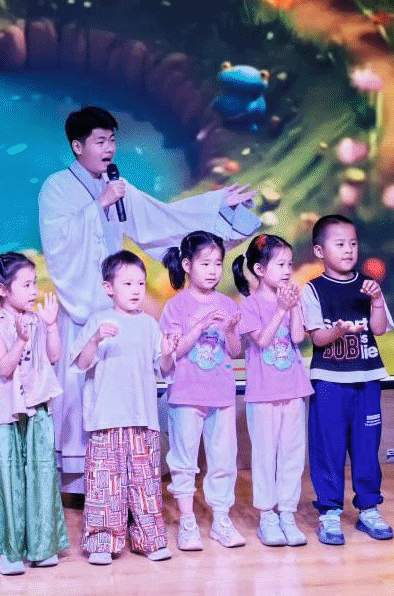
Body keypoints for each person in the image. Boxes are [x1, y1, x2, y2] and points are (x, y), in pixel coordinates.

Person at [38, 105, 258, 494]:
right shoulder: (57, 187)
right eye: (100, 141)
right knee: (79, 389)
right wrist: (99, 206)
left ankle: (121, 475)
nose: (109, 149)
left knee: (120, 390)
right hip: (83, 307)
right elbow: (58, 242)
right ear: (77, 146)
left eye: (112, 140)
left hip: (119, 307)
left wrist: (216, 204)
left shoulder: (116, 185)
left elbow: (161, 220)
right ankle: (78, 482)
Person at [71, 251, 177, 565]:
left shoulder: (149, 324)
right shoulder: (99, 321)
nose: (135, 290)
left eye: (140, 283)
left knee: (145, 484)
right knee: (105, 484)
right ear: (108, 287)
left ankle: (150, 539)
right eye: (127, 283)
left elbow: (163, 368)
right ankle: (102, 541)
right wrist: (95, 339)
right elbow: (81, 363)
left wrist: (168, 352)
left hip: (142, 418)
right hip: (106, 419)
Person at [0, 252, 69, 575]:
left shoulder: (36, 320)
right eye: (25, 285)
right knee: (9, 479)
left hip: (37, 407)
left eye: (34, 283)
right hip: (6, 414)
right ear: (2, 289)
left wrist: (50, 327)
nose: (33, 290)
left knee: (42, 474)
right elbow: (4, 367)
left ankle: (42, 546)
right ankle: (11, 551)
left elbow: (54, 357)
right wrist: (22, 341)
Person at [301, 214, 394, 546]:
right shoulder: (312, 290)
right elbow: (318, 337)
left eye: (353, 243)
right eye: (339, 244)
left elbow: (379, 328)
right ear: (319, 251)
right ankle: (329, 512)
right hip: (329, 381)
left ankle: (369, 508)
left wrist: (377, 300)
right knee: (328, 448)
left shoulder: (368, 285)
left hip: (367, 379)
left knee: (367, 446)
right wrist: (339, 330)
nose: (348, 250)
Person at [159, 231, 245, 550]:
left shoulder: (227, 303)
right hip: (186, 394)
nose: (212, 270)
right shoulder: (175, 307)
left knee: (223, 460)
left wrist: (231, 330)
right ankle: (187, 522)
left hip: (221, 394)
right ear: (187, 265)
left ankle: (221, 520)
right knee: (183, 461)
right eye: (205, 263)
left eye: (217, 264)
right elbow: (174, 352)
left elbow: (235, 351)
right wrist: (199, 325)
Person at [234, 233, 313, 547]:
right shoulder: (249, 305)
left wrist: (293, 307)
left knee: (292, 454)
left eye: (289, 264)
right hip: (263, 392)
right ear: (259, 269)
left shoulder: (291, 298)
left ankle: (288, 513)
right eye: (280, 264)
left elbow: (297, 337)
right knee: (265, 456)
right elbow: (263, 341)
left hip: (293, 388)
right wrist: (281, 308)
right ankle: (267, 515)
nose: (287, 270)